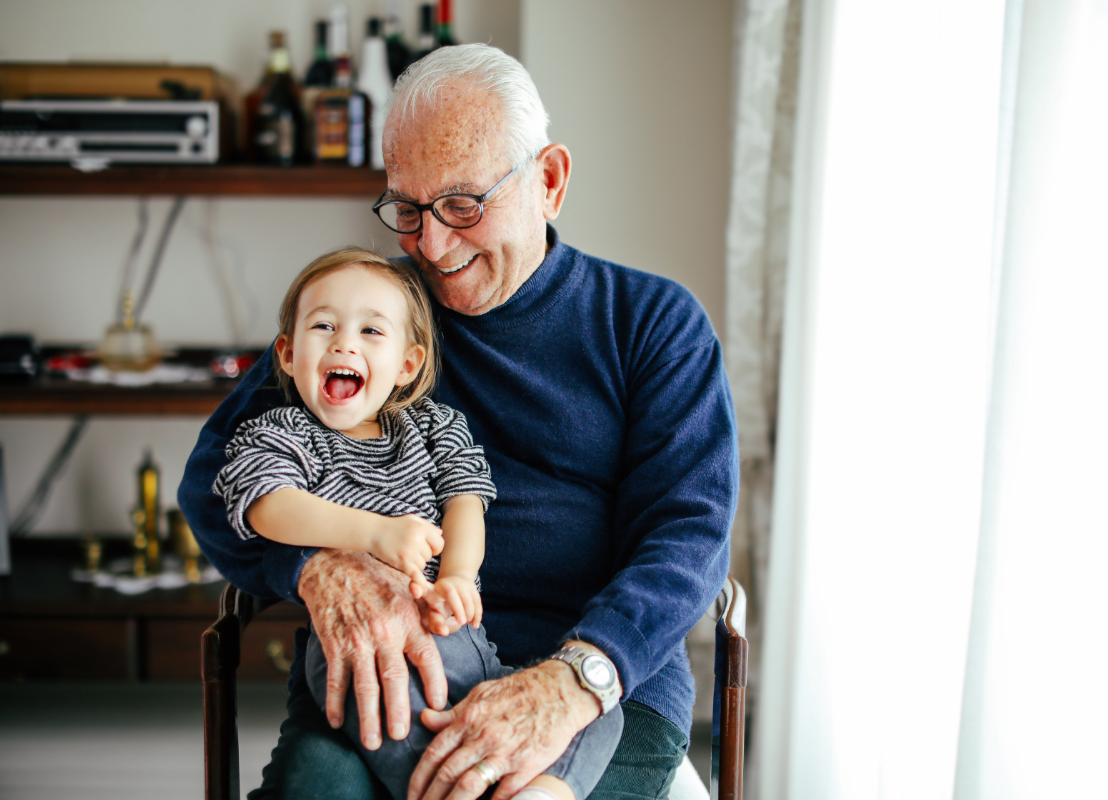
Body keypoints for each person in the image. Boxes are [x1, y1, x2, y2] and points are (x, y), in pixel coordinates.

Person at [179, 43, 737, 800]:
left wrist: (571, 684)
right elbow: (217, 478)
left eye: (462, 205)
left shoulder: (651, 323)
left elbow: (688, 535)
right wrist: (316, 565)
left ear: (549, 181)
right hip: (394, 665)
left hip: (595, 681)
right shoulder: (372, 319)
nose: (431, 247)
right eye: (406, 209)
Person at [211, 247, 622, 800]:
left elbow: (467, 502)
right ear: (286, 354)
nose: (344, 343)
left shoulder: (432, 427)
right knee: (389, 714)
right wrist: (374, 534)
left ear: (407, 364)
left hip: (464, 643)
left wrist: (456, 575)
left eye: (371, 331)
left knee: (598, 711)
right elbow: (267, 504)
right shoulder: (284, 433)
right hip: (360, 647)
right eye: (324, 325)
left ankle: (543, 792)